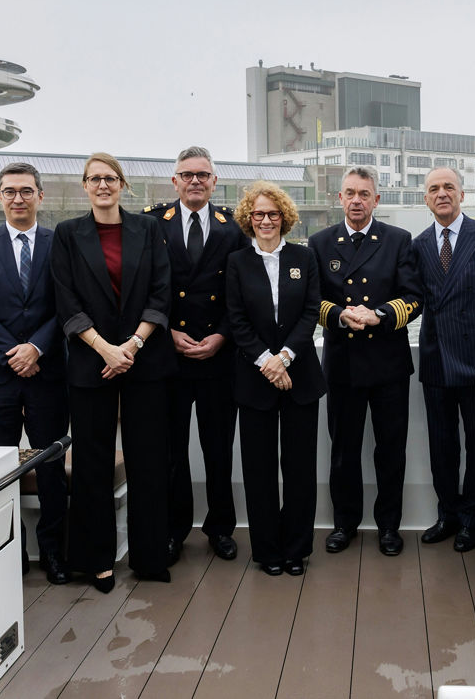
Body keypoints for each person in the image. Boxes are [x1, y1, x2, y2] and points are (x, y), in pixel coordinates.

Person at [51, 153, 174, 591]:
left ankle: (150, 556)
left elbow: (161, 294)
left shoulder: (150, 229)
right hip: (91, 361)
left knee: (148, 459)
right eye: (94, 179)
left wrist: (133, 345)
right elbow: (65, 301)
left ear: (123, 185)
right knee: (92, 462)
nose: (103, 185)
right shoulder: (67, 235)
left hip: (145, 358)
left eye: (110, 178)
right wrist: (105, 349)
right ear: (84, 186)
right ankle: (95, 560)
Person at [0, 163, 69, 585]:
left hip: (47, 373)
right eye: (10, 191)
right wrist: (13, 353)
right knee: (0, 468)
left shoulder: (59, 242)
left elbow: (67, 304)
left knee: (49, 466)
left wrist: (37, 347)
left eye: (26, 191)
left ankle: (54, 554)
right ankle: (10, 555)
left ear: (40, 195)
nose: (18, 198)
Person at [310, 165, 422, 556]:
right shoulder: (320, 243)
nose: (356, 200)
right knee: (344, 450)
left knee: (390, 450)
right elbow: (311, 302)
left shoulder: (397, 240)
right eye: (349, 193)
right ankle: (345, 524)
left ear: (377, 199)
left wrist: (380, 315)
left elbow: (413, 297)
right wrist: (340, 314)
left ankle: (389, 526)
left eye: (364, 194)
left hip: (388, 363)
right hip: (342, 363)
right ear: (339, 198)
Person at [143, 146, 244, 564]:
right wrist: (168, 333)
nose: (195, 181)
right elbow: (144, 287)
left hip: (219, 357)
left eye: (203, 174)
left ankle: (220, 528)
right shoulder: (152, 224)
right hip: (169, 355)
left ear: (214, 182)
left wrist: (221, 335)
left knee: (219, 449)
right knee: (171, 451)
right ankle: (174, 530)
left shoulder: (232, 227)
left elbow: (241, 292)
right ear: (174, 181)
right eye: (187, 174)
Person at [226, 181, 326, 576]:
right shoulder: (237, 263)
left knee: (300, 468)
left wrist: (284, 357)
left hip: (300, 375)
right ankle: (267, 550)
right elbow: (237, 319)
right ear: (248, 219)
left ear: (284, 217)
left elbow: (311, 311)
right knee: (259, 469)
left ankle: (296, 549)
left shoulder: (305, 256)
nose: (266, 220)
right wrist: (267, 361)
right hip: (254, 380)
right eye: (259, 214)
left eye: (273, 214)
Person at [412, 166, 475, 553]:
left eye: (449, 187)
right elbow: (413, 299)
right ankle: (446, 513)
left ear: (462, 194)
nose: (441, 193)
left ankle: (472, 519)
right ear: (425, 198)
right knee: (442, 445)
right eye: (433, 189)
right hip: (435, 358)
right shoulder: (419, 244)